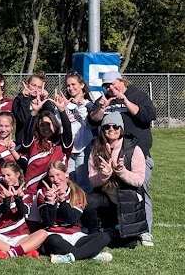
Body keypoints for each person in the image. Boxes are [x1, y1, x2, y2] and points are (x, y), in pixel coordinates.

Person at [89, 71, 157, 246]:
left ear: (122, 81)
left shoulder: (138, 95)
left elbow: (147, 116)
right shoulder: (104, 99)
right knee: (106, 192)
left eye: (113, 84)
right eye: (106, 86)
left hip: (135, 154)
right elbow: (92, 121)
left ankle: (145, 231)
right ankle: (111, 227)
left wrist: (125, 101)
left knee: (139, 192)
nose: (110, 88)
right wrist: (101, 108)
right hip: (108, 154)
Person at [82, 112, 148, 248]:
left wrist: (121, 171)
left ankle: (112, 233)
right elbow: (93, 180)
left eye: (115, 126)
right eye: (107, 127)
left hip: (126, 198)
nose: (111, 129)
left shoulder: (134, 149)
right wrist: (105, 174)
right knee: (88, 201)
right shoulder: (96, 148)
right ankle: (94, 234)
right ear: (102, 129)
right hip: (106, 195)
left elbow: (139, 180)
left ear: (121, 129)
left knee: (130, 244)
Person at [17, 90, 73, 228]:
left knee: (55, 225)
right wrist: (34, 113)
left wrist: (62, 111)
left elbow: (68, 130)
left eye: (49, 124)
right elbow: (27, 132)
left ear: (55, 125)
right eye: (42, 124)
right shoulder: (33, 142)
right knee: (32, 228)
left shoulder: (62, 144)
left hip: (56, 191)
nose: (45, 128)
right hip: (32, 192)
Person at [39, 161, 113, 264]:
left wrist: (63, 201)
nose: (55, 179)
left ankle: (71, 257)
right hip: (54, 234)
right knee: (53, 240)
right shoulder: (43, 193)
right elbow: (48, 222)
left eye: (58, 175)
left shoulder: (77, 192)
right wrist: (51, 203)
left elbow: (71, 219)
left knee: (104, 237)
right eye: (51, 176)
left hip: (74, 235)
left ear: (66, 174)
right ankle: (90, 254)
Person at [0, 161, 47, 258]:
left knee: (43, 233)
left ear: (17, 174)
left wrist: (18, 199)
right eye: (3, 176)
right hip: (1, 235)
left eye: (8, 175)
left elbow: (23, 211)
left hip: (20, 236)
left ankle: (9, 252)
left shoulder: (26, 192)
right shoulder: (1, 190)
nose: (5, 178)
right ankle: (19, 251)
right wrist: (7, 199)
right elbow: (4, 212)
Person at [62, 71, 95, 191]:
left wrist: (81, 106)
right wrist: (61, 109)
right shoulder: (64, 104)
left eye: (73, 84)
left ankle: (86, 202)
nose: (70, 88)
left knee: (84, 182)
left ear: (81, 85)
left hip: (84, 147)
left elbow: (89, 124)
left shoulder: (88, 104)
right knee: (69, 182)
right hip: (68, 149)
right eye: (68, 85)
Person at [11, 73, 48, 145]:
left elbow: (49, 119)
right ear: (27, 84)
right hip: (23, 141)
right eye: (33, 85)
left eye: (39, 87)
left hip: (39, 142)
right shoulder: (19, 100)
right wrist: (26, 98)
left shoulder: (44, 102)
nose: (36, 89)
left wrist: (45, 100)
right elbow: (25, 119)